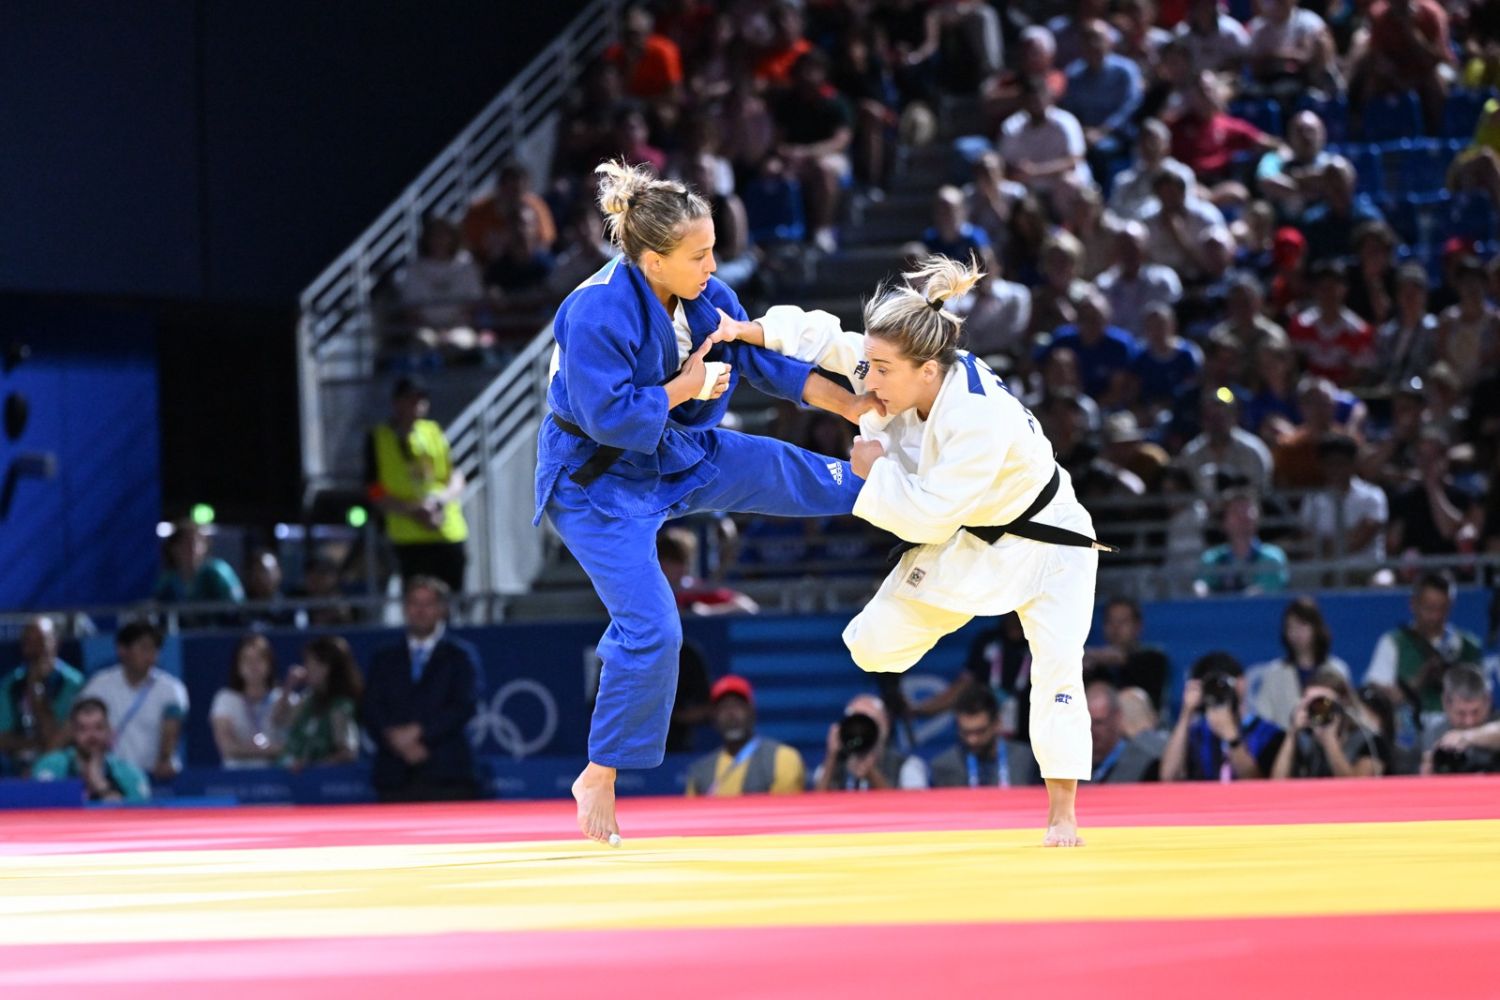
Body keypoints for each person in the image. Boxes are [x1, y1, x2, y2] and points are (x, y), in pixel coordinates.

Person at [723, 254, 1114, 847]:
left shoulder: (977, 417)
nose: (870, 380)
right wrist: (751, 330)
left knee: (1058, 667)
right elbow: (827, 339)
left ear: (927, 371)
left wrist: (871, 473)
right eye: (872, 366)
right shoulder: (902, 364)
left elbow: (932, 515)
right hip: (973, 538)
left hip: (1049, 542)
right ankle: (939, 611)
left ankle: (1063, 816)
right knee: (870, 647)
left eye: (882, 371)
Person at [538, 161, 874, 844]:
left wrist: (852, 407)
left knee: (779, 467)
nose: (712, 265)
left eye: (713, 249)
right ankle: (600, 773)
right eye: (699, 255)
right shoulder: (596, 310)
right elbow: (607, 417)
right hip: (595, 484)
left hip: (675, 453)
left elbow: (763, 360)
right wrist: (685, 388)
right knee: (654, 630)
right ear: (653, 260)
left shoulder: (705, 293)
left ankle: (880, 486)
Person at [363, 576, 483, 801]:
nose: (420, 610)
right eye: (414, 603)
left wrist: (419, 732)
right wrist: (397, 740)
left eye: (428, 603)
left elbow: (463, 706)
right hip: (393, 775)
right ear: (404, 608)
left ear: (442, 609)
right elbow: (371, 707)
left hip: (448, 773)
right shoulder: (384, 658)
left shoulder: (460, 656)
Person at [365, 376, 470, 593]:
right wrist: (413, 510)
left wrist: (439, 501)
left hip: (446, 530)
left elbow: (457, 476)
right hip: (407, 537)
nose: (417, 405)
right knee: (418, 598)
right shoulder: (378, 438)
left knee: (453, 597)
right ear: (396, 402)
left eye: (421, 399)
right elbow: (373, 489)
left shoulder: (434, 431)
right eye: (410, 399)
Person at [79, 622, 189, 781]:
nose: (151, 656)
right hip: (112, 777)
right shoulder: (99, 685)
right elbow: (78, 723)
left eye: (155, 649)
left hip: (154, 776)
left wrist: (165, 759)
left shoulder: (171, 689)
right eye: (144, 648)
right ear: (122, 650)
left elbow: (171, 728)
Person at [1365, 573, 1484, 715]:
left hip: (1458, 725)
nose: (1435, 616)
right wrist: (1420, 679)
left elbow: (1482, 700)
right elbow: (1378, 699)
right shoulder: (1393, 642)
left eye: (1442, 609)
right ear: (1413, 604)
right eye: (1429, 608)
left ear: (1451, 605)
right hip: (1408, 726)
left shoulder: (1468, 646)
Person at [1160, 652, 1285, 782]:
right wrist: (1186, 713)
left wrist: (1231, 738)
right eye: (1210, 686)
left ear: (1241, 683)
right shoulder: (1195, 734)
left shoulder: (1271, 735)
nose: (1216, 691)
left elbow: (1258, 784)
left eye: (1222, 684)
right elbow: (1168, 777)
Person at [684, 675, 806, 796]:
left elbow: (784, 807)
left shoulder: (782, 758)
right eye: (723, 707)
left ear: (752, 711)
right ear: (714, 716)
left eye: (738, 705)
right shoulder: (699, 772)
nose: (731, 714)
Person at [1247, 596, 1353, 730]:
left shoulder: (1337, 670)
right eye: (1290, 627)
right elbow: (1263, 721)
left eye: (1302, 625)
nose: (1296, 633)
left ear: (1316, 627)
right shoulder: (1274, 674)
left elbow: (1349, 715)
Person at [0, 615, 83, 775]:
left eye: (41, 640)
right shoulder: (10, 684)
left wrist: (36, 692)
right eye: (29, 642)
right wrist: (34, 745)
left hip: (60, 763)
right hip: (16, 763)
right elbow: (2, 738)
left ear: (56, 642)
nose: (36, 649)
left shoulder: (74, 684)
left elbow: (56, 738)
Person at [1269, 669, 1388, 778]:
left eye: (1323, 703)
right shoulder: (1304, 741)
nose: (1318, 710)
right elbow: (1277, 785)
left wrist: (1329, 740)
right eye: (1311, 704)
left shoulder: (1370, 742)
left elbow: (1355, 788)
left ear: (1343, 704)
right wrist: (1292, 734)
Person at [31, 698, 151, 804]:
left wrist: (101, 785)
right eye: (83, 729)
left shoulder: (128, 772)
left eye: (98, 728)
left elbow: (138, 814)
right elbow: (41, 807)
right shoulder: (52, 765)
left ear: (109, 731)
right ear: (73, 733)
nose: (92, 736)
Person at [209, 633, 299, 769]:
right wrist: (276, 750)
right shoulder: (225, 699)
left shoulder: (288, 699)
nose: (253, 666)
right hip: (238, 777)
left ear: (270, 664)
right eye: (246, 660)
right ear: (237, 666)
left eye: (259, 659)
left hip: (278, 777)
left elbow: (296, 746)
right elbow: (228, 748)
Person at [929, 685, 1040, 788]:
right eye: (965, 732)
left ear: (997, 723)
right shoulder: (944, 766)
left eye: (980, 731)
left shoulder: (1026, 759)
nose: (972, 740)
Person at [814, 693, 929, 792]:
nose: (861, 732)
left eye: (868, 724)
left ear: (885, 726)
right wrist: (831, 756)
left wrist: (872, 774)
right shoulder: (832, 767)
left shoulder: (907, 766)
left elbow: (910, 807)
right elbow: (817, 805)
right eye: (855, 724)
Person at [280, 636, 363, 772]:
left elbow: (348, 753)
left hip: (316, 782)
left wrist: (311, 768)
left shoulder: (340, 707)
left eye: (308, 662)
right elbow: (280, 721)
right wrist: (288, 687)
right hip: (289, 776)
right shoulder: (308, 698)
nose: (305, 668)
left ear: (325, 668)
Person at [1195, 491, 1290, 595]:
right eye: (1235, 511)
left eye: (1248, 510)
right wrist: (1200, 589)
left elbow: (1268, 590)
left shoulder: (1272, 557)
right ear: (1224, 522)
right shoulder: (1211, 558)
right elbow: (1202, 587)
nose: (1243, 517)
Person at [1082, 597, 1170, 710]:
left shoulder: (1154, 658)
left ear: (1138, 626)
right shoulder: (1095, 668)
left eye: (1123, 621)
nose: (1116, 628)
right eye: (1110, 621)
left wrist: (1087, 655)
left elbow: (1120, 658)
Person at [1419, 665, 1497, 774]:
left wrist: (1467, 737)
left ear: (1488, 701)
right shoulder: (1434, 733)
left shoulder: (1496, 721)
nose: (1469, 721)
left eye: (1476, 712)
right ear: (1446, 704)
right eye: (1461, 713)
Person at [1087, 679, 1166, 782]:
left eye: (1099, 723)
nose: (1091, 730)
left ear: (1117, 718)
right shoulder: (1073, 765)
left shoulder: (1144, 766)